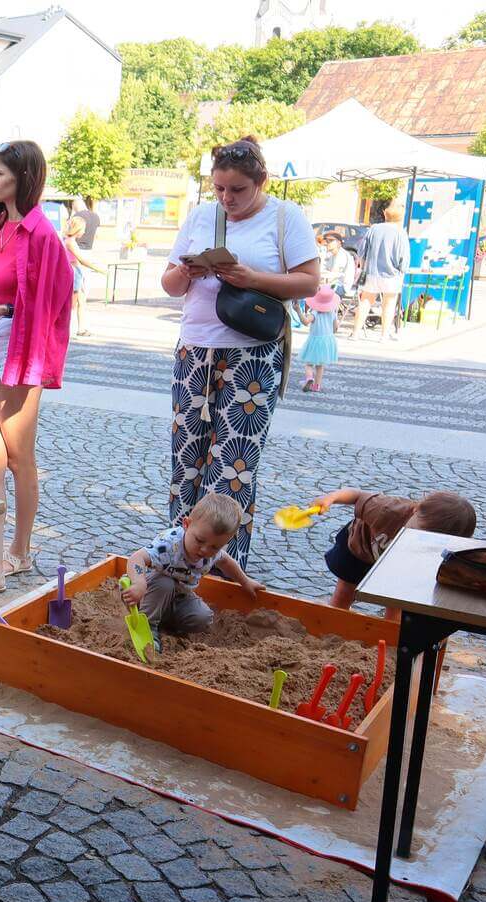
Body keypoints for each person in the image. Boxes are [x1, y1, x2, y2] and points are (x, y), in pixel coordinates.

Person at [161, 136, 319, 568]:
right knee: (186, 463)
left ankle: (224, 571)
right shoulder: (201, 215)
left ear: (261, 181)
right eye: (219, 189)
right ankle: (176, 563)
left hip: (252, 354)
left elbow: (309, 283)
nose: (227, 198)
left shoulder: (286, 217)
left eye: (238, 190)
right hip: (195, 349)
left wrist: (250, 276)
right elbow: (170, 285)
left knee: (232, 469)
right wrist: (185, 271)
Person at [0, 140, 73, 601]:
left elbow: (51, 300)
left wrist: (6, 309)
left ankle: (20, 552)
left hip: (20, 350)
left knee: (20, 456)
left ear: (22, 178)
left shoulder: (42, 233)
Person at [120, 493, 263, 644]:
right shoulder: (169, 544)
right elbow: (137, 558)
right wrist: (138, 583)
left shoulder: (212, 552)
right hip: (146, 592)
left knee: (203, 618)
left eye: (215, 547)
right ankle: (148, 626)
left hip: (180, 596)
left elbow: (226, 562)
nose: (204, 550)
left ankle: (164, 622)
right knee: (165, 583)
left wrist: (245, 581)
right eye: (199, 540)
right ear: (186, 524)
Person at [312, 487, 476, 618]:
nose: (418, 540)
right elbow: (356, 495)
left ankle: (390, 633)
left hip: (398, 562)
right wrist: (330, 498)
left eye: (429, 541)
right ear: (416, 510)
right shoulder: (385, 509)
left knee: (396, 600)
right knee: (344, 595)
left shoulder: (439, 545)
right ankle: (333, 622)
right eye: (417, 533)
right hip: (360, 548)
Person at [352, 204, 409, 342]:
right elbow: (404, 257)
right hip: (391, 274)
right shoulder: (400, 233)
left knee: (365, 301)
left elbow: (362, 250)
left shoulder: (374, 229)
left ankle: (355, 333)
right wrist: (402, 270)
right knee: (389, 304)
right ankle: (383, 335)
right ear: (401, 216)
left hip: (371, 272)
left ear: (385, 214)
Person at [61, 215, 104, 339]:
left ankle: (81, 328)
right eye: (83, 229)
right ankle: (66, 330)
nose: (84, 231)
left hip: (77, 272)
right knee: (72, 304)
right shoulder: (70, 242)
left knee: (81, 302)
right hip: (73, 273)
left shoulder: (70, 241)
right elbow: (82, 260)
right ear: (77, 229)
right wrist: (100, 270)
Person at [298, 285, 340, 392]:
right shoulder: (332, 313)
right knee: (320, 365)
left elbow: (306, 322)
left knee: (309, 363)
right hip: (327, 340)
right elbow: (335, 328)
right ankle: (317, 386)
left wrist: (298, 310)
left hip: (315, 340)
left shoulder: (315, 313)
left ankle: (309, 378)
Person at [319, 231, 354, 298]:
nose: (327, 243)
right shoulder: (332, 254)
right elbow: (324, 270)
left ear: (339, 243)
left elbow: (334, 276)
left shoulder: (342, 255)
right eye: (326, 240)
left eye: (331, 240)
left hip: (341, 286)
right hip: (334, 284)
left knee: (315, 291)